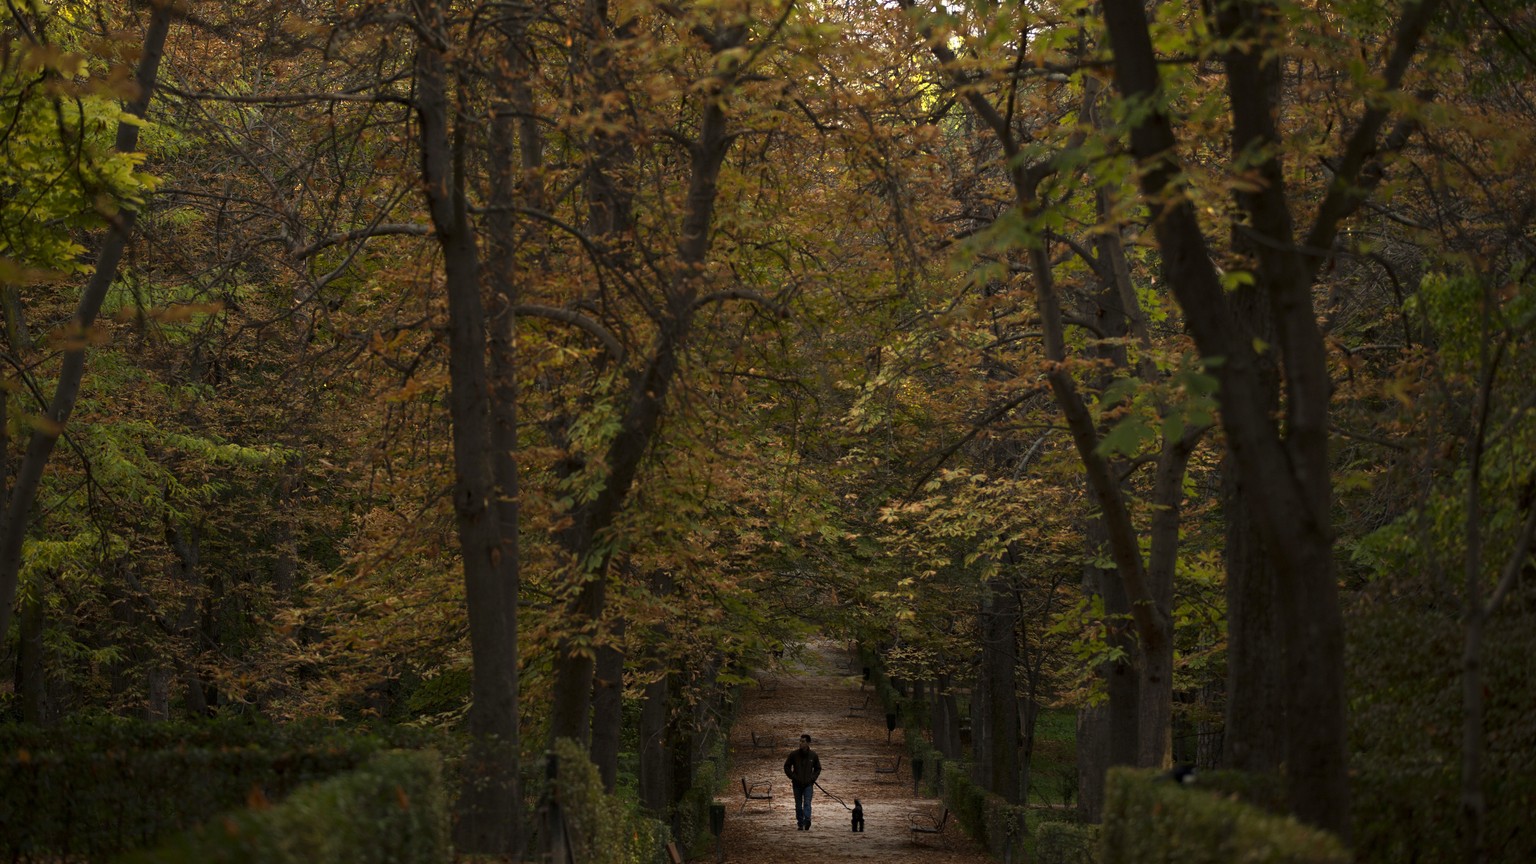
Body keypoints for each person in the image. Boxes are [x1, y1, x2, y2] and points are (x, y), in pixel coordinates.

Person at [783, 733, 822, 831]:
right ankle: (800, 823)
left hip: (808, 784)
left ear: (808, 743)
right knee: (798, 805)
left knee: (807, 803)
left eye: (803, 741)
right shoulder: (794, 754)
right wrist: (793, 777)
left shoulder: (813, 755)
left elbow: (818, 768)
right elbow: (786, 766)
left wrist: (812, 778)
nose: (800, 743)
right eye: (800, 741)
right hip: (797, 784)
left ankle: (807, 820)